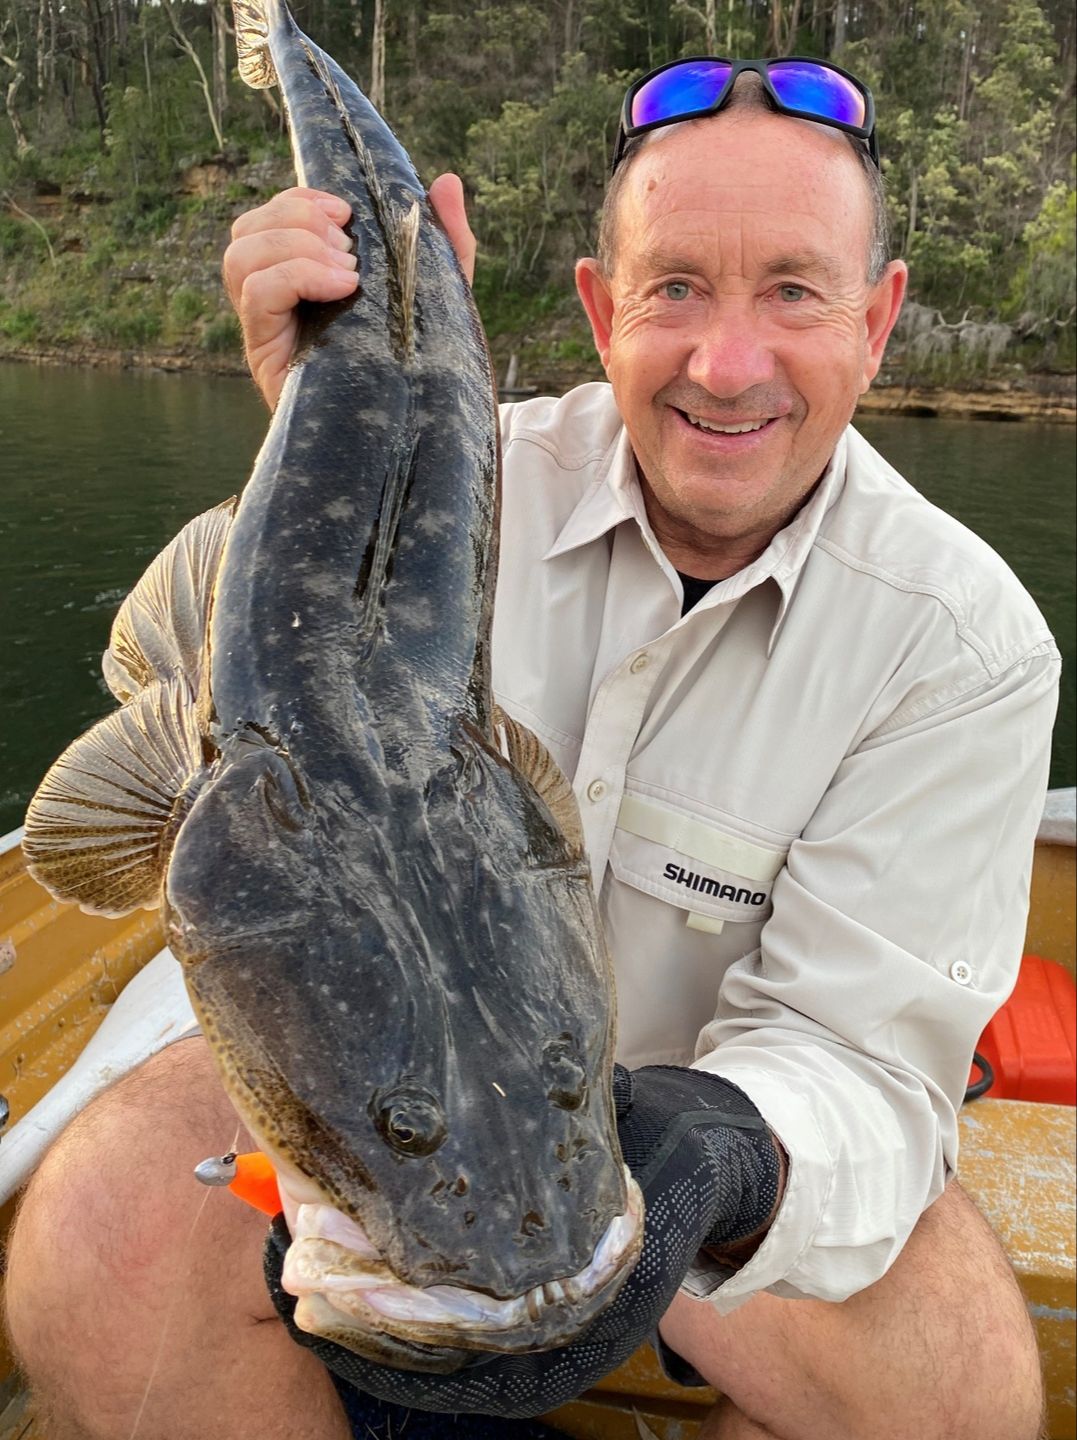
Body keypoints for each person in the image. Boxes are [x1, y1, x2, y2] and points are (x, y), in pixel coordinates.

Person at [5, 58, 1058, 1440]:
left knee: (955, 1396)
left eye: (794, 292)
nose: (726, 364)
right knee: (100, 1235)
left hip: (673, 1142)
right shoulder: (450, 479)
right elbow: (191, 728)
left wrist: (719, 1158)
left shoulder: (960, 643)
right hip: (380, 1098)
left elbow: (863, 1062)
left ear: (879, 318)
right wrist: (307, 441)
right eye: (674, 287)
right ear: (599, 310)